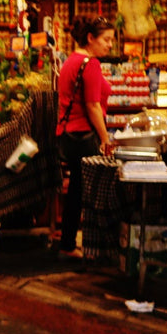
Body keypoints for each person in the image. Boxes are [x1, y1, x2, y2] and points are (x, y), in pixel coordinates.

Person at [55, 14, 117, 258]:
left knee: (77, 190)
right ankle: (73, 245)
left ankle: (68, 243)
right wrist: (105, 138)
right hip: (83, 135)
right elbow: (92, 106)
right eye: (106, 40)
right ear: (90, 38)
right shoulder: (90, 63)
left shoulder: (71, 60)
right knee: (85, 192)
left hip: (68, 134)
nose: (110, 45)